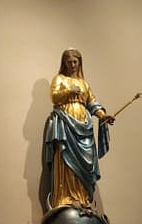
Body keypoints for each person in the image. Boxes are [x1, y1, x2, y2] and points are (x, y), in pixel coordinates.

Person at [42, 49, 115, 214]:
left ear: (79, 63)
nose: (72, 65)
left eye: (75, 62)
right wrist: (69, 91)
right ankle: (66, 198)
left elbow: (93, 102)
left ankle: (83, 199)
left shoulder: (84, 84)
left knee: (86, 163)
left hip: (84, 124)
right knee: (66, 160)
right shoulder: (60, 79)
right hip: (66, 124)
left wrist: (103, 115)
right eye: (69, 62)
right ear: (64, 63)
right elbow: (54, 97)